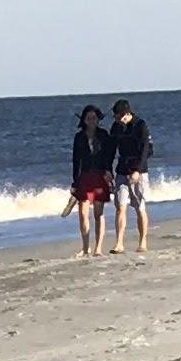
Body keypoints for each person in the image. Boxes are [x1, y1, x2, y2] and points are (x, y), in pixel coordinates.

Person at [109, 98, 154, 252]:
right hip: (122, 169)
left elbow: (146, 150)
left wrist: (138, 170)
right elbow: (111, 150)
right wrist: (107, 169)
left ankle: (143, 242)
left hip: (138, 171)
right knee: (120, 206)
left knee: (139, 206)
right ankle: (119, 243)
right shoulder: (116, 127)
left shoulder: (140, 126)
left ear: (125, 114)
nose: (116, 119)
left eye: (117, 116)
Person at [69, 104, 114, 256]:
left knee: (98, 213)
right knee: (83, 213)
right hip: (85, 177)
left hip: (100, 176)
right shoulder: (79, 137)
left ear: (98, 119)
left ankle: (98, 248)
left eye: (94, 118)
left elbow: (109, 156)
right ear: (84, 120)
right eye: (88, 118)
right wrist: (74, 183)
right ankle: (85, 246)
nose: (91, 121)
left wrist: (109, 172)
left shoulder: (103, 135)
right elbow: (76, 161)